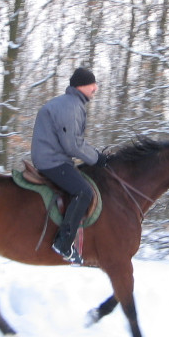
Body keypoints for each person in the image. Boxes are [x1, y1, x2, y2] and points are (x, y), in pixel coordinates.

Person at [30, 67, 108, 264]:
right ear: (81, 85)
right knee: (84, 192)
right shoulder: (70, 106)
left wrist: (95, 156)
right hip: (52, 161)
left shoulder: (71, 104)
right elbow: (72, 144)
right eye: (92, 84)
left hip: (55, 158)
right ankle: (63, 243)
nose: (96, 88)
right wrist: (97, 159)